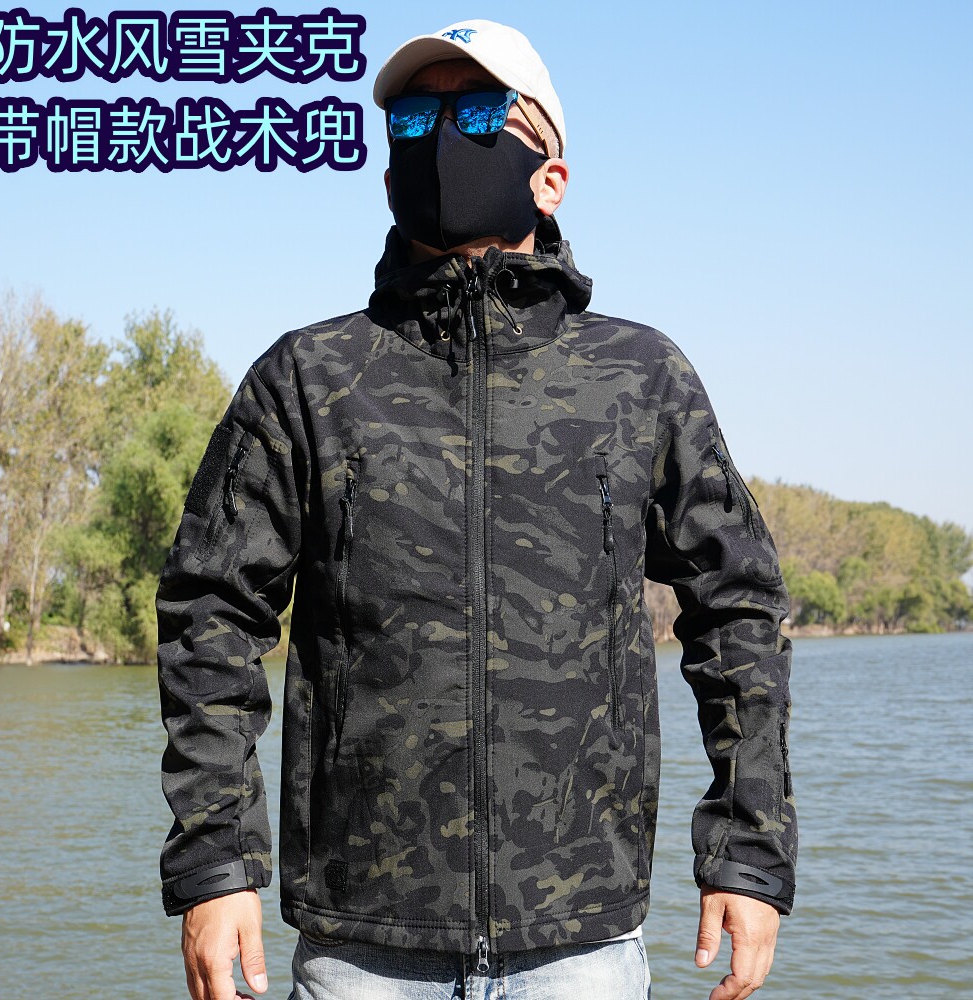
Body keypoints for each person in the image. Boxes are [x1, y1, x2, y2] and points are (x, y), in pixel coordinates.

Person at [156, 18, 797, 1000]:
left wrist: (747, 853)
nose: (444, 135)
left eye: (482, 112)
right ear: (388, 176)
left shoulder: (640, 377)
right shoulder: (307, 379)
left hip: (581, 944)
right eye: (416, 117)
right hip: (362, 949)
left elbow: (739, 606)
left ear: (551, 177)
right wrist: (215, 863)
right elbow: (210, 610)